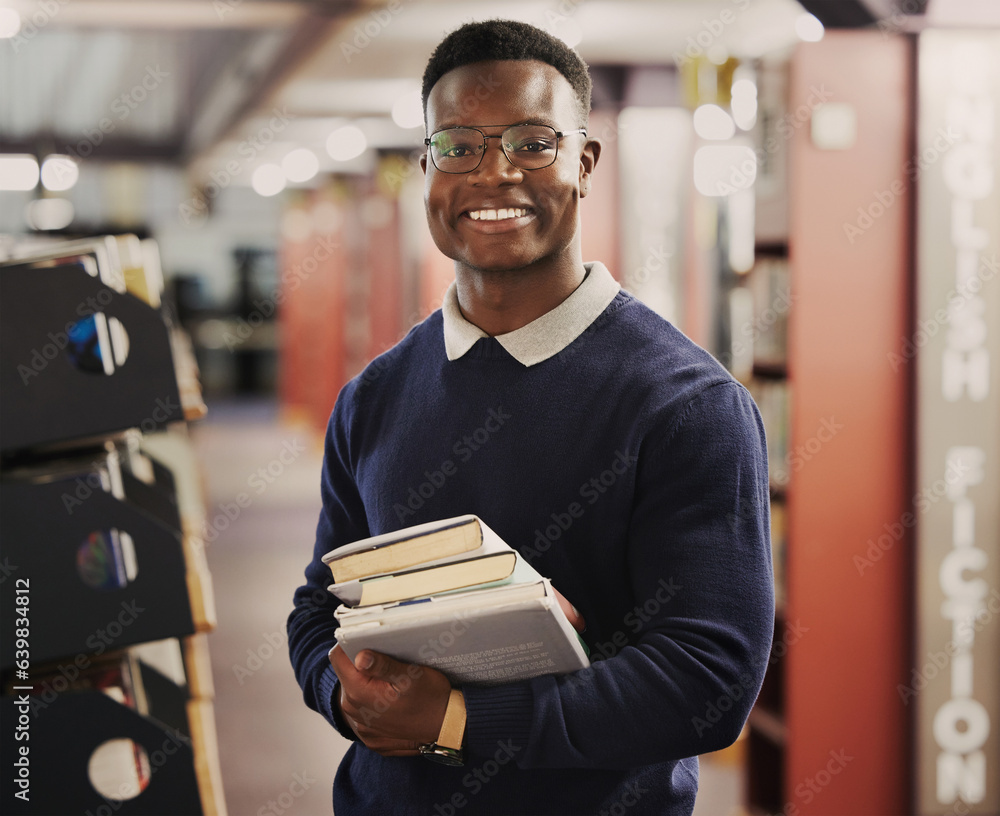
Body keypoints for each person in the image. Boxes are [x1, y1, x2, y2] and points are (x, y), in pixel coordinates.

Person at [288, 18, 774, 815]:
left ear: (583, 164)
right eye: (460, 147)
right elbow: (322, 604)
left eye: (531, 143)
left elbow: (707, 681)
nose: (494, 174)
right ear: (427, 170)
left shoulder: (689, 406)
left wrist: (455, 721)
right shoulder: (373, 395)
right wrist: (344, 698)